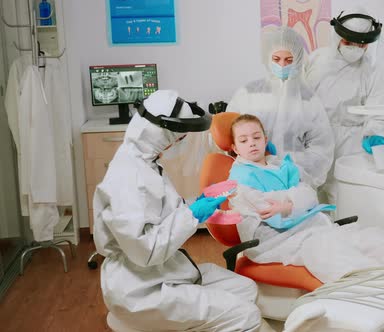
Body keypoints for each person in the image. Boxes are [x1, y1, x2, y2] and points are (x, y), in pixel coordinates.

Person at [93, 90, 261, 331]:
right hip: (141, 290)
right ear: (160, 133)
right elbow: (145, 251)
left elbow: (160, 213)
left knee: (246, 289)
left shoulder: (145, 161)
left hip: (165, 271)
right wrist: (193, 214)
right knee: (247, 317)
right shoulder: (128, 178)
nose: (178, 143)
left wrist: (199, 206)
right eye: (178, 138)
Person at [226, 114, 384, 283]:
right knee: (324, 249)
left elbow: (309, 192)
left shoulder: (281, 165)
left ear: (265, 139)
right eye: (244, 140)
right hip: (275, 240)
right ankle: (380, 283)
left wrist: (288, 204)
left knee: (358, 235)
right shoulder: (239, 177)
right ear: (235, 148)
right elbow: (268, 210)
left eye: (256, 137)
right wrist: (293, 201)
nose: (252, 143)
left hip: (306, 226)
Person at [226, 26, 334, 189]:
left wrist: (295, 174)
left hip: (294, 182)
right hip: (254, 179)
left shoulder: (309, 100)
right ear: (267, 57)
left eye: (289, 60)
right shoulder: (248, 93)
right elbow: (230, 138)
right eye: (276, 59)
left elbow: (321, 148)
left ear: (298, 59)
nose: (282, 65)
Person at [306, 7, 384, 204]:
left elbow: (377, 111)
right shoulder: (316, 61)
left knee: (348, 201)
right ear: (337, 37)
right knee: (311, 198)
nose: (355, 49)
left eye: (361, 45)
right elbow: (299, 101)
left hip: (352, 143)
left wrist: (376, 133)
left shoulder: (372, 70)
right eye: (349, 42)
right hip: (315, 140)